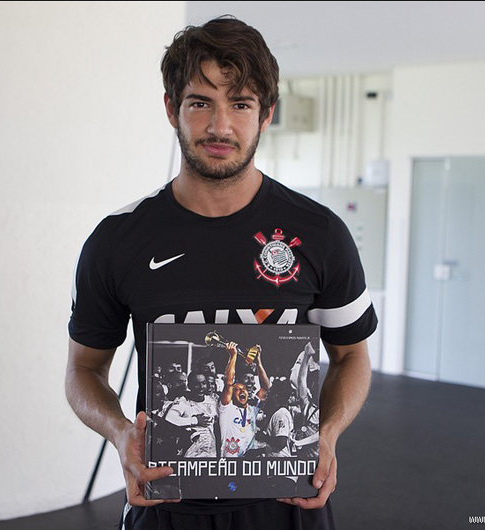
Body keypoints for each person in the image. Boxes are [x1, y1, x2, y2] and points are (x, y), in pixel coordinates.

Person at [65, 14, 376, 530]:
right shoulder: (117, 240)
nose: (219, 126)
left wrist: (327, 433)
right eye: (200, 102)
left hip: (287, 507)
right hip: (166, 507)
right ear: (171, 109)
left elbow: (352, 357)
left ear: (266, 114)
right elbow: (82, 372)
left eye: (241, 103)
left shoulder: (320, 234)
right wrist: (121, 433)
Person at [218, 341, 269, 458]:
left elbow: (266, 387)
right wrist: (233, 356)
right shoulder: (226, 409)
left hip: (248, 458)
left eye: (244, 389)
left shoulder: (253, 409)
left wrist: (259, 362)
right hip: (230, 459)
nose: (242, 391)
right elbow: (229, 382)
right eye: (237, 390)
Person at [163, 370, 218, 457]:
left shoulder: (212, 401)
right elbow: (169, 417)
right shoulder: (183, 401)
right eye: (196, 384)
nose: (201, 387)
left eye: (203, 383)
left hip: (210, 453)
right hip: (191, 454)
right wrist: (195, 420)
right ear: (189, 386)